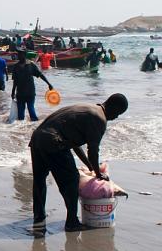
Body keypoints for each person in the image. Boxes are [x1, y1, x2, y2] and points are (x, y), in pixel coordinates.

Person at [29, 94, 128, 231]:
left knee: (39, 180)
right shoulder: (99, 119)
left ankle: (39, 217)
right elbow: (93, 151)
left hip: (38, 138)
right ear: (113, 106)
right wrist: (98, 174)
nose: (116, 117)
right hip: (54, 141)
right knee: (72, 180)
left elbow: (75, 144)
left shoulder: (90, 109)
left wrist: (90, 167)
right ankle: (72, 222)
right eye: (118, 113)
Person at [11, 50, 53, 121]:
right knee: (21, 115)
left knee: (31, 111)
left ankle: (34, 127)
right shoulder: (16, 67)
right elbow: (15, 81)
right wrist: (13, 92)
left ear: (24, 55)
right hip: (20, 93)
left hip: (30, 92)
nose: (18, 56)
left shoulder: (31, 65)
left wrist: (48, 84)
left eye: (20, 55)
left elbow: (40, 75)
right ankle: (21, 129)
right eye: (18, 54)